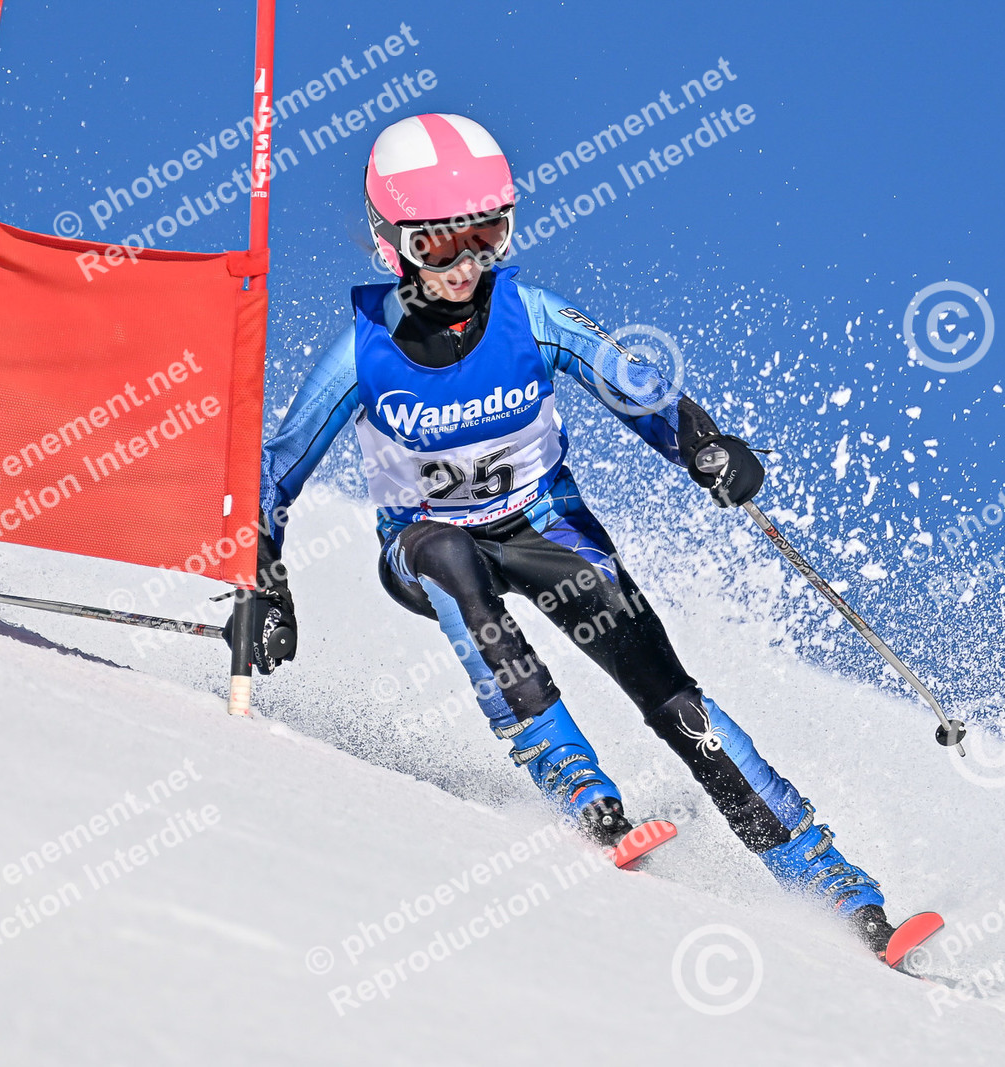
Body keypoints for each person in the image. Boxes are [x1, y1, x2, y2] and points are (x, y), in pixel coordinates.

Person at [230, 113, 896, 954]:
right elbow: (275, 473)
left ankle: (827, 876)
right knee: (449, 556)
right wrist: (264, 581)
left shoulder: (530, 316)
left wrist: (703, 445)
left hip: (546, 528)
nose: (466, 264)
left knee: (669, 692)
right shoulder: (361, 355)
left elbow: (637, 387)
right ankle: (575, 778)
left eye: (487, 234)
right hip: (425, 544)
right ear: (391, 245)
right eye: (439, 244)